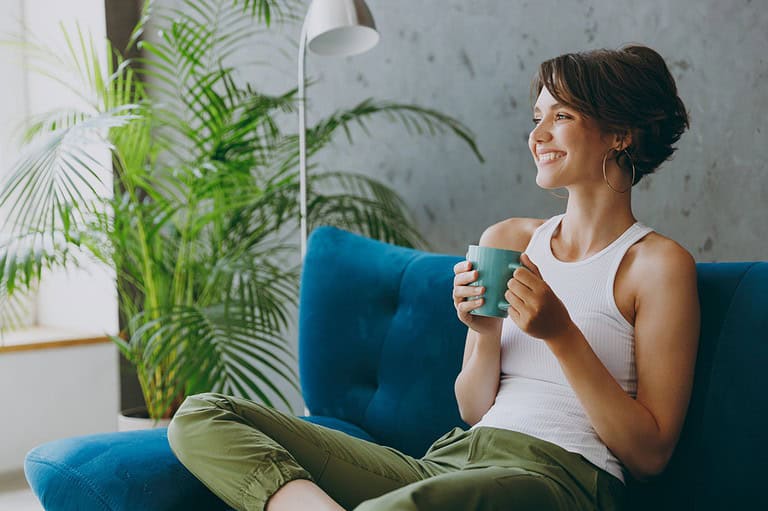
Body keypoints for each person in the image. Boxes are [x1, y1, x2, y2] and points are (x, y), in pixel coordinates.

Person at [167, 44, 700, 511]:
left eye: (560, 116)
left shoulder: (656, 265)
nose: (537, 135)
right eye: (536, 117)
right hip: (454, 460)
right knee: (201, 416)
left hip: (558, 478)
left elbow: (649, 455)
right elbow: (473, 409)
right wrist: (484, 332)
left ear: (620, 135)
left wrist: (560, 334)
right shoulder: (509, 240)